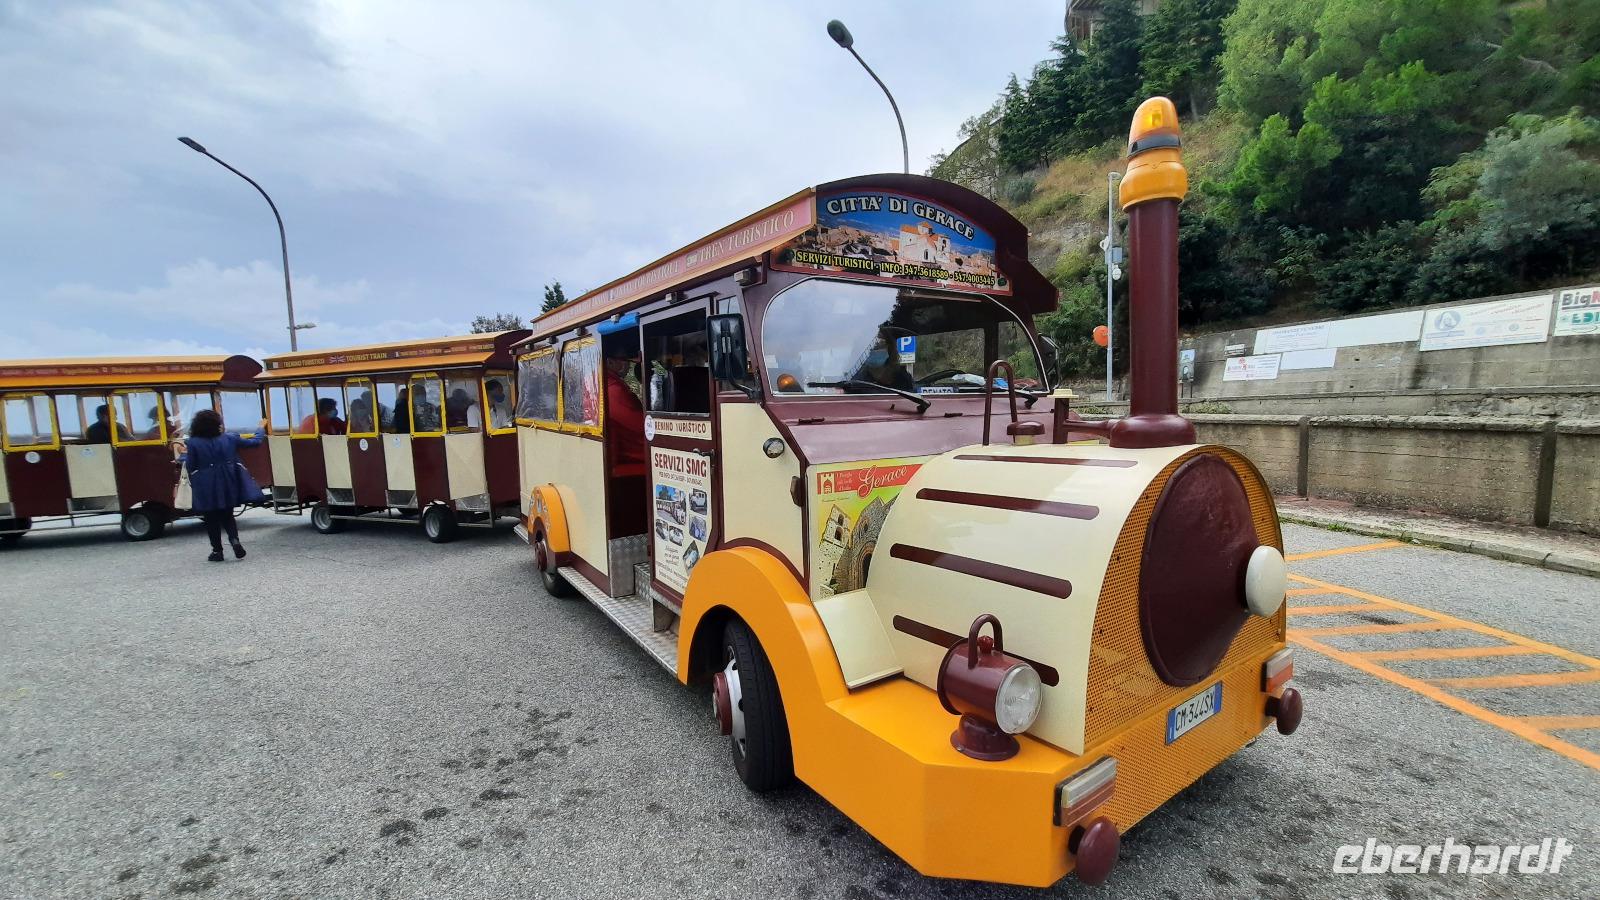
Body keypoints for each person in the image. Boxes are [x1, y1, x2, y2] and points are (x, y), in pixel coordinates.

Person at [183, 409, 267, 562]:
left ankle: (217, 551)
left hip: (205, 482)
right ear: (217, 425)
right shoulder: (229, 438)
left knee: (210, 518)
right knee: (228, 515)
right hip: (227, 480)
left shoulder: (193, 442)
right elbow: (255, 442)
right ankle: (235, 541)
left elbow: (190, 465)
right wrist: (261, 428)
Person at [603, 342, 647, 477]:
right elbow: (641, 428)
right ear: (610, 362)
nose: (628, 365)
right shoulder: (614, 390)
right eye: (624, 360)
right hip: (633, 455)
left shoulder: (604, 384)